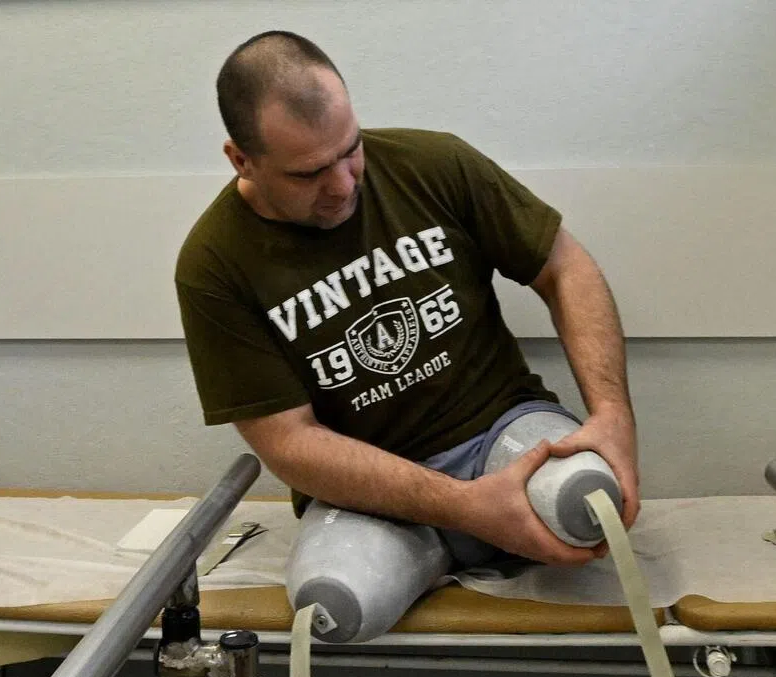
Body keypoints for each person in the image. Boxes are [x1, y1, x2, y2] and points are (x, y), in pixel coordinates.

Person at [175, 30, 639, 583]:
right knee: (330, 603)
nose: (343, 186)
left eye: (351, 150)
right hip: (371, 491)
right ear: (241, 160)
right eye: (308, 173)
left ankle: (454, 543)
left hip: (501, 433)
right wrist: (464, 507)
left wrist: (612, 414)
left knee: (585, 503)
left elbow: (566, 267)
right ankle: (438, 545)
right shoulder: (213, 265)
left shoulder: (434, 163)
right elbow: (289, 442)